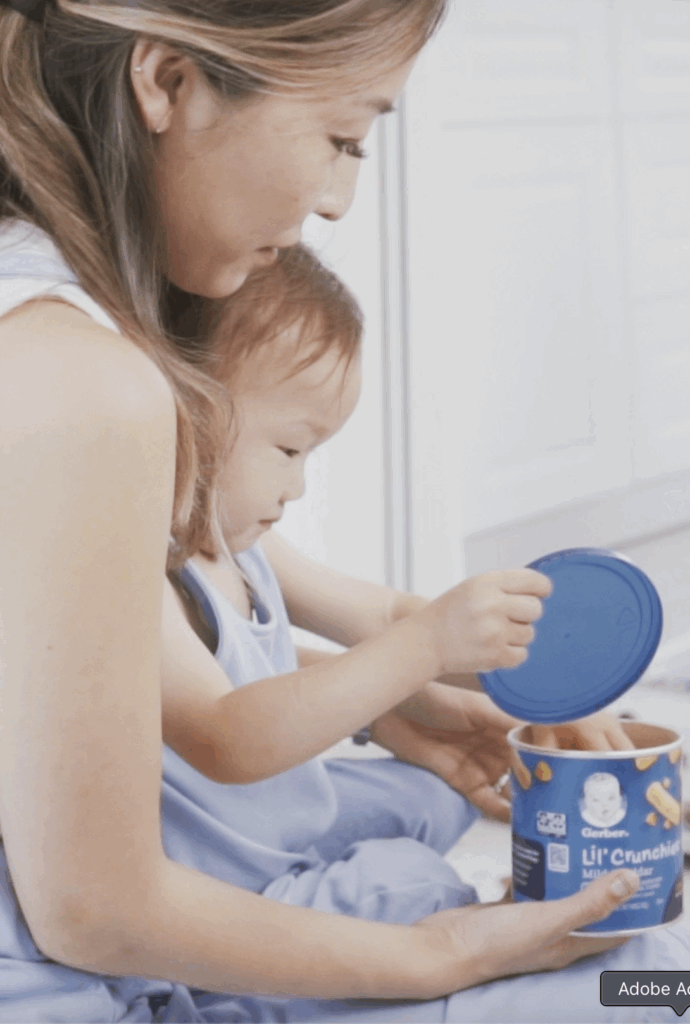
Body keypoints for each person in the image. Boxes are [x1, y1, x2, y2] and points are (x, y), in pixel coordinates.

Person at [0, 2, 688, 1022]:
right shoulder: (84, 385)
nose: (338, 200)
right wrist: (446, 953)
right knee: (648, 983)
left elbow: (128, 677)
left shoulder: (49, 324)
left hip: (120, 939)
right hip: (92, 981)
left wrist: (392, 693)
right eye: (343, 138)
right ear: (167, 81)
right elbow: (99, 911)